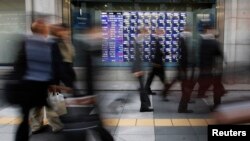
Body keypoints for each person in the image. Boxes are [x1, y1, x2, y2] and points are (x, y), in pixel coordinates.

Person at [14, 19, 64, 141]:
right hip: (46, 82)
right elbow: (55, 65)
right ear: (42, 30)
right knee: (53, 104)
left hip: (33, 83)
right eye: (45, 27)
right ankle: (56, 126)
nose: (47, 29)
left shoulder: (27, 43)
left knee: (38, 107)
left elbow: (18, 65)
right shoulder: (49, 43)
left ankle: (37, 126)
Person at [197, 25, 225, 110]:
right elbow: (220, 55)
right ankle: (217, 105)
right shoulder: (214, 42)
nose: (214, 31)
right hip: (212, 68)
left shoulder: (200, 41)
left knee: (205, 82)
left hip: (202, 67)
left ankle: (201, 93)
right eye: (213, 30)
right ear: (208, 30)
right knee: (216, 87)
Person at [132, 27, 153, 112]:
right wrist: (137, 70)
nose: (147, 34)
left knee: (142, 88)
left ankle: (145, 105)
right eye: (145, 32)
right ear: (141, 32)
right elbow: (137, 57)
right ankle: (144, 106)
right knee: (142, 89)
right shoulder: (138, 40)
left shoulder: (139, 40)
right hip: (138, 69)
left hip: (138, 68)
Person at [144, 28, 168, 99]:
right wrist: (155, 62)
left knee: (151, 77)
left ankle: (147, 90)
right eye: (161, 31)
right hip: (157, 63)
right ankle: (165, 91)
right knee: (162, 78)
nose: (163, 33)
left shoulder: (157, 39)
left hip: (156, 63)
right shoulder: (154, 40)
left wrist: (165, 54)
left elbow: (158, 52)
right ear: (157, 32)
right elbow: (154, 52)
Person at [177, 25, 196, 113]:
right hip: (186, 67)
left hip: (184, 66)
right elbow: (187, 54)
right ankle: (182, 107)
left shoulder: (182, 39)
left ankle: (185, 104)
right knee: (187, 86)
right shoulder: (186, 40)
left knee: (186, 86)